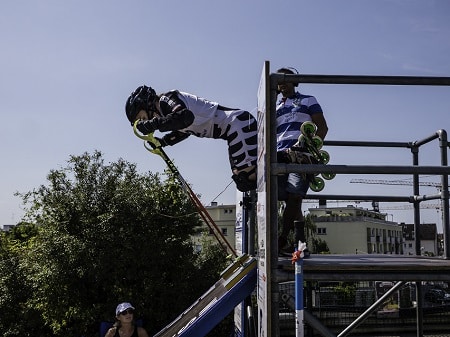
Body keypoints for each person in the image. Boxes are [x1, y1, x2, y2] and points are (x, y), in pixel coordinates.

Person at [125, 85, 257, 192]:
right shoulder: (166, 114)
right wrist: (163, 142)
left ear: (146, 104)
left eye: (141, 118)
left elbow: (185, 117)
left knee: (247, 177)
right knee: (242, 182)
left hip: (238, 123)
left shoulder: (166, 99)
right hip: (231, 131)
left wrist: (153, 125)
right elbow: (183, 131)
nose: (143, 121)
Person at [275, 67, 328, 256]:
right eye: (279, 81)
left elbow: (322, 127)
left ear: (295, 81)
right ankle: (300, 246)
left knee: (296, 195)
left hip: (301, 156)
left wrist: (311, 149)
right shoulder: (273, 107)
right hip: (279, 156)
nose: (282, 84)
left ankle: (281, 240)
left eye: (286, 79)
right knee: (287, 199)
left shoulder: (308, 100)